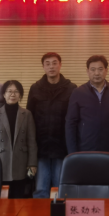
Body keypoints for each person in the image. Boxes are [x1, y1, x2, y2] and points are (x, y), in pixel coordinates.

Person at [26, 52, 77, 199]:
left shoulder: (71, 88)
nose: (51, 66)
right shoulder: (35, 88)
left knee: (60, 188)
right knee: (40, 189)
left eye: (54, 63)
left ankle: (60, 213)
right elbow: (29, 117)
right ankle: (40, 213)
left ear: (60, 65)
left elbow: (75, 118)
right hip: (41, 146)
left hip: (62, 146)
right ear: (43, 67)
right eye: (47, 64)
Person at [65, 55, 109, 166]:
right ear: (87, 71)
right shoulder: (78, 92)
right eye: (93, 69)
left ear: (106, 71)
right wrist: (72, 153)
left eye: (100, 69)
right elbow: (70, 124)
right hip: (85, 151)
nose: (97, 73)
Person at [0, 80, 38, 199]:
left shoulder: (27, 114)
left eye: (16, 91)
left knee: (18, 197)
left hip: (21, 161)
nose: (12, 94)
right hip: (1, 161)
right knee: (1, 198)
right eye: (9, 91)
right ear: (4, 94)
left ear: (20, 95)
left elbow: (31, 141)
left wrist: (32, 164)